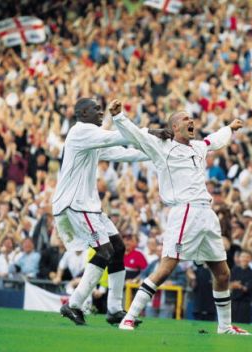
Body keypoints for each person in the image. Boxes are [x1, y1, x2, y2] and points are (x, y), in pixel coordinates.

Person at [112, 99, 250, 335]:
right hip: (184, 211)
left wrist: (229, 128)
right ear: (175, 127)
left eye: (191, 118)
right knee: (166, 267)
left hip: (206, 214)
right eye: (185, 118)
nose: (191, 121)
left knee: (223, 272)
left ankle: (225, 327)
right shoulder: (162, 148)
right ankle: (129, 317)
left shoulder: (198, 146)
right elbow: (137, 135)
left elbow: (213, 140)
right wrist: (118, 117)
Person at [53, 97, 166, 326]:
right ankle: (74, 304)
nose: (100, 112)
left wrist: (155, 152)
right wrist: (152, 131)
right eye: (95, 109)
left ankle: (114, 309)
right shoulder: (80, 132)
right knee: (104, 251)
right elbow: (118, 136)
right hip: (76, 204)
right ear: (82, 113)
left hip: (88, 205)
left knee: (118, 248)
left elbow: (121, 153)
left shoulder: (91, 139)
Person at [230, 250, 252, 323]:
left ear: (250, 259)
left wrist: (238, 286)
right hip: (233, 301)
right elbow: (229, 285)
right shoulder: (234, 270)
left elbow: (247, 288)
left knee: (243, 324)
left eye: (247, 257)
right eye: (243, 256)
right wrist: (235, 285)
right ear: (239, 258)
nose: (245, 259)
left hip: (245, 303)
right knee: (231, 324)